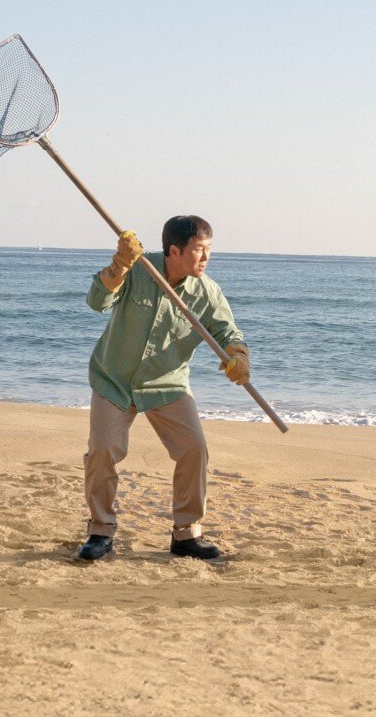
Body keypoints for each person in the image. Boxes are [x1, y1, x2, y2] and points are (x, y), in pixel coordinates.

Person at [76, 215, 252, 561]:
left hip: (167, 385)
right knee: (103, 449)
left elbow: (228, 333)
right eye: (199, 251)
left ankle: (186, 535)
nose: (206, 258)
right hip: (113, 381)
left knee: (194, 448)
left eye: (209, 251)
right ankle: (100, 530)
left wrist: (237, 355)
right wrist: (119, 264)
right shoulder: (137, 268)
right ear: (175, 250)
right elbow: (97, 303)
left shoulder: (208, 291)